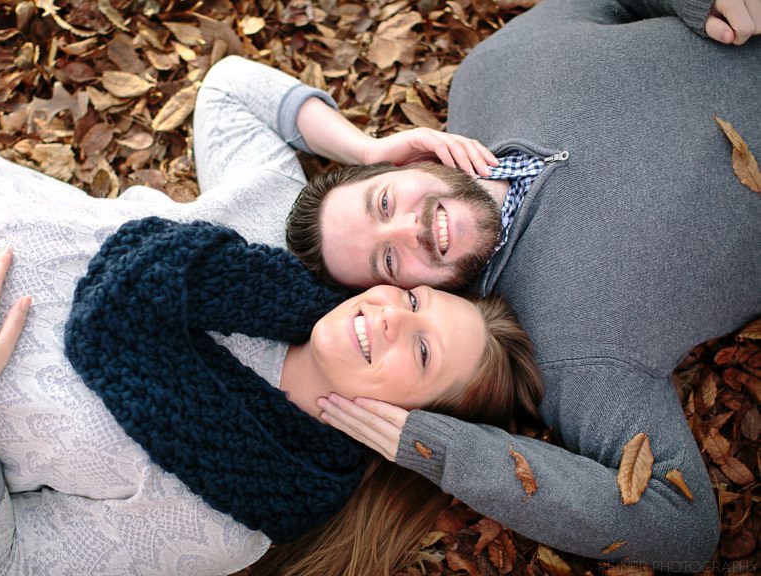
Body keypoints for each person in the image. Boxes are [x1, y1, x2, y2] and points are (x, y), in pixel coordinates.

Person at [0, 54, 539, 576]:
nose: (393, 315)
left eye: (422, 354)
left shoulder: (226, 520)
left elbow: (2, 560)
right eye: (417, 300)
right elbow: (230, 88)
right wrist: (364, 150)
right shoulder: (284, 248)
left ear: (407, 424)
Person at [282, 0, 760, 569]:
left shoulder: (487, 73)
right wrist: (438, 449)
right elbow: (681, 524)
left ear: (395, 161)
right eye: (387, 260)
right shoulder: (572, 353)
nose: (410, 228)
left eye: (384, 202)